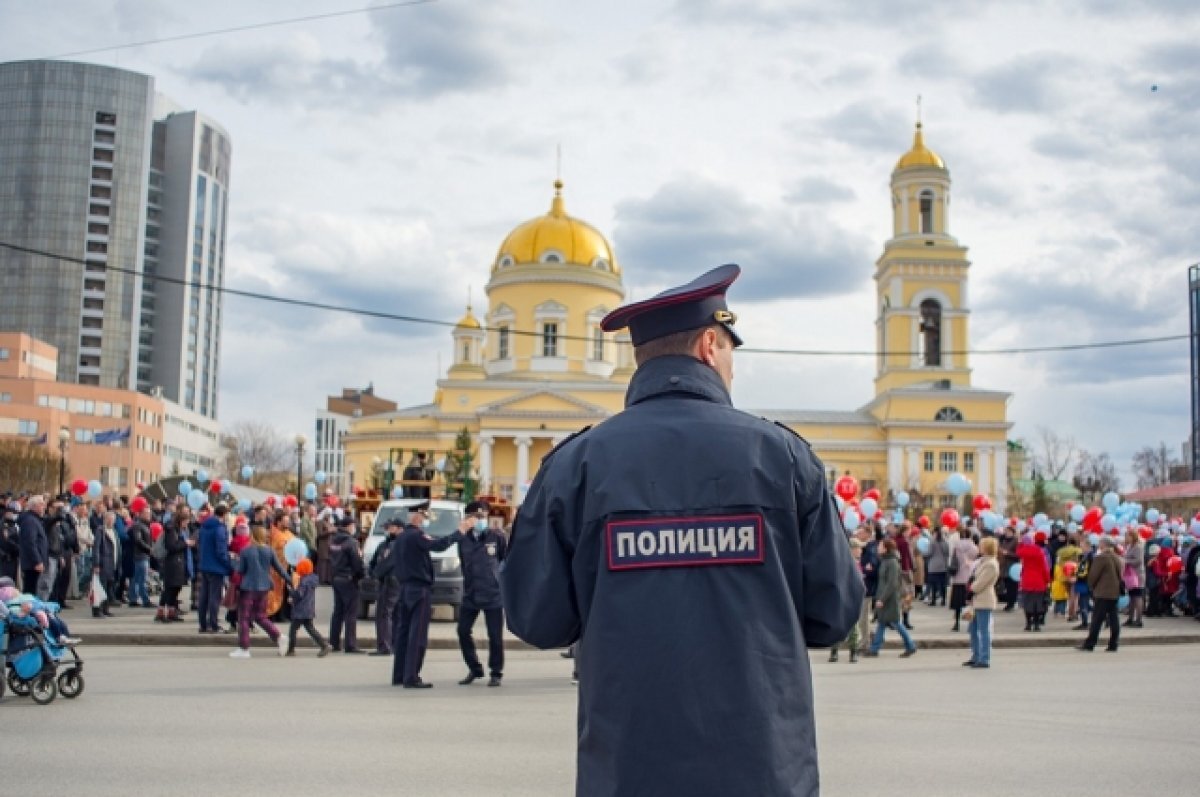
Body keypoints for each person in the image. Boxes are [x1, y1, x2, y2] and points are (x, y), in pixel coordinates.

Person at [500, 265, 862, 796]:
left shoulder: (576, 465)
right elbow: (833, 616)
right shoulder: (783, 457)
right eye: (731, 352)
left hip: (629, 772)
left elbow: (537, 620)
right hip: (763, 772)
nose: (733, 369)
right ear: (710, 346)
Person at [391, 502, 465, 687]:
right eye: (424, 516)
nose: (425, 520)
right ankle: (411, 677)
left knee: (403, 633)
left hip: (404, 588)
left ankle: (399, 674)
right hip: (419, 589)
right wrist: (459, 533)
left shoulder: (401, 537)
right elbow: (438, 545)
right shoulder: (417, 536)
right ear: (417, 517)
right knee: (417, 635)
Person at [456, 500, 507, 686]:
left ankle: (496, 672)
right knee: (462, 631)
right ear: (468, 518)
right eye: (476, 516)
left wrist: (499, 582)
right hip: (471, 593)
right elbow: (463, 562)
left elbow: (504, 560)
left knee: (495, 636)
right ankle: (474, 668)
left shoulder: (497, 536)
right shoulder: (463, 539)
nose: (480, 520)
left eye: (482, 516)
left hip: (492, 593)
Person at [229, 525, 289, 659]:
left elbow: (240, 570)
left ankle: (244, 648)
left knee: (244, 618)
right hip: (264, 587)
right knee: (260, 616)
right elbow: (279, 568)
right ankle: (279, 636)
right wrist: (290, 581)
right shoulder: (269, 550)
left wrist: (233, 561)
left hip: (248, 587)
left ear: (252, 536)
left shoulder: (246, 551)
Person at [865, 537, 918, 658]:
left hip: (890, 598)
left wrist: (882, 599)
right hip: (884, 597)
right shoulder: (885, 560)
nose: (878, 548)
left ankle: (910, 646)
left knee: (896, 622)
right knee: (882, 623)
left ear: (886, 548)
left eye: (880, 546)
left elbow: (891, 583)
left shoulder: (892, 562)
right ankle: (874, 649)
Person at [1078, 536, 1123, 652]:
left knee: (1097, 619)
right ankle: (1114, 643)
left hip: (1103, 592)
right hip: (1114, 591)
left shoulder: (1101, 558)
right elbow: (1120, 574)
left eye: (1100, 543)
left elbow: (1093, 575)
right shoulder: (1116, 557)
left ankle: (1090, 643)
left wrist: (1091, 585)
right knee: (1114, 618)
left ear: (1103, 544)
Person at [328, 515, 365, 653]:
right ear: (349, 526)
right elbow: (357, 562)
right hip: (349, 579)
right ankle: (350, 644)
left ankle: (334, 642)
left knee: (338, 611)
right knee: (351, 612)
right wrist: (361, 575)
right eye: (353, 526)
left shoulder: (333, 540)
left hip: (336, 578)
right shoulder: (351, 542)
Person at [369, 518, 404, 656]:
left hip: (392, 581)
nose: (387, 530)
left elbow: (388, 563)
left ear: (399, 528)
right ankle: (392, 644)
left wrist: (376, 573)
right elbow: (374, 561)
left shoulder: (398, 544)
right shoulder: (384, 544)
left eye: (390, 527)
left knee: (385, 613)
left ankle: (385, 646)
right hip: (389, 581)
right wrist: (372, 573)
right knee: (393, 614)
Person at [196, 502, 232, 634]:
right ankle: (213, 624)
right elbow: (221, 550)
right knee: (214, 597)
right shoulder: (219, 528)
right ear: (224, 514)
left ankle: (203, 624)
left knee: (204, 596)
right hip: (216, 567)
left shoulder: (204, 526)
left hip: (205, 565)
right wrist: (228, 565)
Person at [964, 537, 999, 669]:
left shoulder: (991, 564)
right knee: (973, 630)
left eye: (982, 545)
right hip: (977, 599)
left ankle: (984, 658)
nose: (979, 547)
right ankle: (976, 655)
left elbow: (981, 582)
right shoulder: (983, 561)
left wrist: (971, 589)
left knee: (983, 630)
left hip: (984, 599)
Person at [829, 538, 865, 663]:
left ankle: (853, 652)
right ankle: (835, 651)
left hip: (852, 597)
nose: (860, 550)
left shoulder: (856, 563)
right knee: (840, 626)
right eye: (858, 548)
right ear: (852, 549)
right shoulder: (844, 562)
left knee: (853, 627)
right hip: (843, 597)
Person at [286, 558, 330, 657]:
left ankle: (291, 650)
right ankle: (324, 645)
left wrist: (292, 590)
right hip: (309, 608)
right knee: (310, 629)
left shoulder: (303, 581)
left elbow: (299, 594)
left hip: (300, 610)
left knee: (293, 629)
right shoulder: (312, 579)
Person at [156, 514, 191, 623]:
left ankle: (171, 612)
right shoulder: (171, 530)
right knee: (169, 589)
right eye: (186, 521)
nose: (187, 524)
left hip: (177, 563)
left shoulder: (177, 530)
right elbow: (171, 546)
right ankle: (162, 613)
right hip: (173, 564)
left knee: (176, 588)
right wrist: (185, 543)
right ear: (181, 521)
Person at [1016, 533, 1050, 631]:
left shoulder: (1023, 552)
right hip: (1039, 581)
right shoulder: (1039, 552)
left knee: (1027, 603)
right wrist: (1047, 580)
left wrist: (1020, 544)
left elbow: (1018, 552)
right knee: (1038, 603)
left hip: (1027, 580)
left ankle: (1028, 623)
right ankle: (1036, 624)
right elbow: (1044, 568)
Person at [17, 495, 48, 597]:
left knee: (32, 590)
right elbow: (30, 543)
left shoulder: (34, 519)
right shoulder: (30, 521)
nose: (44, 507)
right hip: (32, 564)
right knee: (30, 590)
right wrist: (37, 561)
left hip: (33, 563)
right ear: (34, 506)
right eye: (42, 504)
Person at [949, 527, 978, 632]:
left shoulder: (956, 546)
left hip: (958, 577)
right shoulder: (974, 547)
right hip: (969, 577)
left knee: (957, 603)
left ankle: (956, 623)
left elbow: (953, 560)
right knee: (969, 602)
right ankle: (970, 624)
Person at [127, 507, 154, 608]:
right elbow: (138, 540)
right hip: (140, 555)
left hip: (143, 555)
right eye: (146, 513)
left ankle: (133, 598)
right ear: (141, 514)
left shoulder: (145, 525)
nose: (149, 515)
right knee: (141, 579)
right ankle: (145, 600)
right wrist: (149, 549)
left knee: (137, 578)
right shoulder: (138, 525)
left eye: (149, 513)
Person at [1122, 530, 1145, 627]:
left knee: (1137, 597)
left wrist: (1126, 561)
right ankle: (1130, 618)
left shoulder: (1138, 547)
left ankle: (1139, 619)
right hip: (1130, 575)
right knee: (1132, 597)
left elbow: (1138, 560)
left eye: (1127, 536)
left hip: (1137, 575)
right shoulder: (1130, 546)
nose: (1126, 538)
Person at [925, 527, 950, 606]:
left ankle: (933, 600)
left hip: (933, 566)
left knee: (933, 584)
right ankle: (943, 600)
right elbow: (947, 553)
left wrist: (925, 554)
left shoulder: (932, 542)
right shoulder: (945, 542)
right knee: (943, 584)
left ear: (935, 534)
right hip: (943, 565)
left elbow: (929, 553)